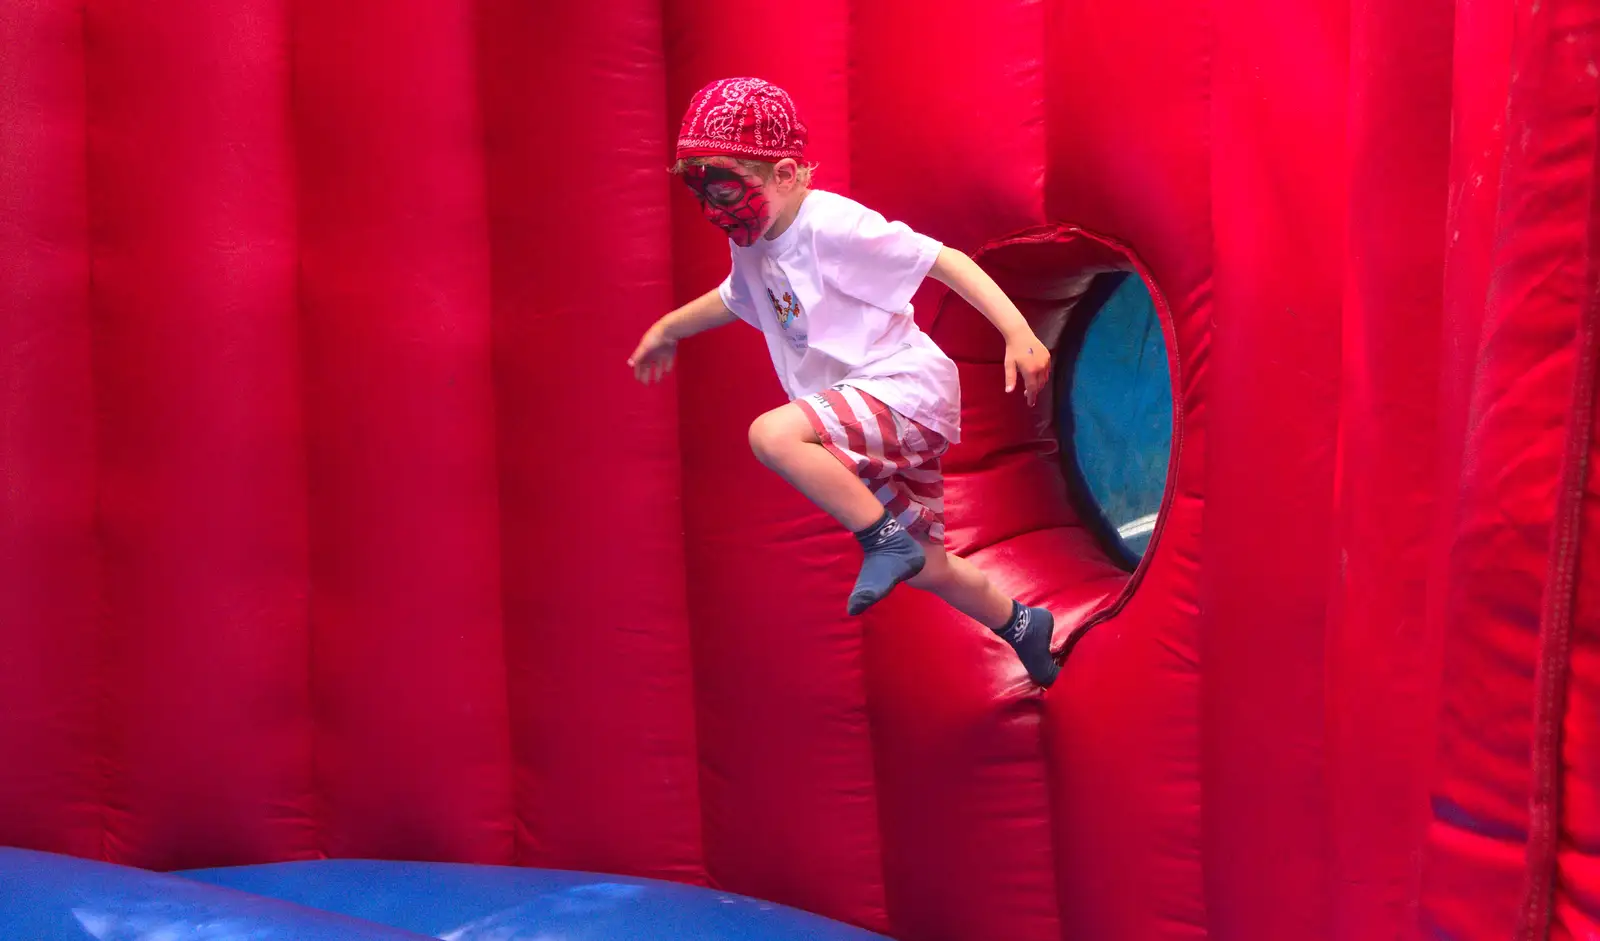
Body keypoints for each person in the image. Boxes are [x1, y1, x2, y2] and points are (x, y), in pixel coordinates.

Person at [627, 77, 1059, 687]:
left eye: (726, 189)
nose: (714, 210)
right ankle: (1021, 624)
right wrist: (669, 328)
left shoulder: (831, 226)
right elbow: (734, 299)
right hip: (871, 414)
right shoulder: (753, 240)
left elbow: (943, 259)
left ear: (785, 174)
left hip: (903, 392)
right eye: (700, 191)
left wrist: (1019, 333)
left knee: (773, 436)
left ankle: (884, 540)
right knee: (931, 567)